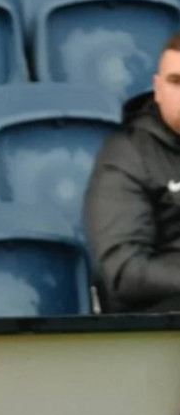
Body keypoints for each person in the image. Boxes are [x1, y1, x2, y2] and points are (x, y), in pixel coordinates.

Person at [83, 30, 180, 314]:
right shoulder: (127, 156)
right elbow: (124, 272)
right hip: (161, 326)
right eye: (176, 82)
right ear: (157, 89)